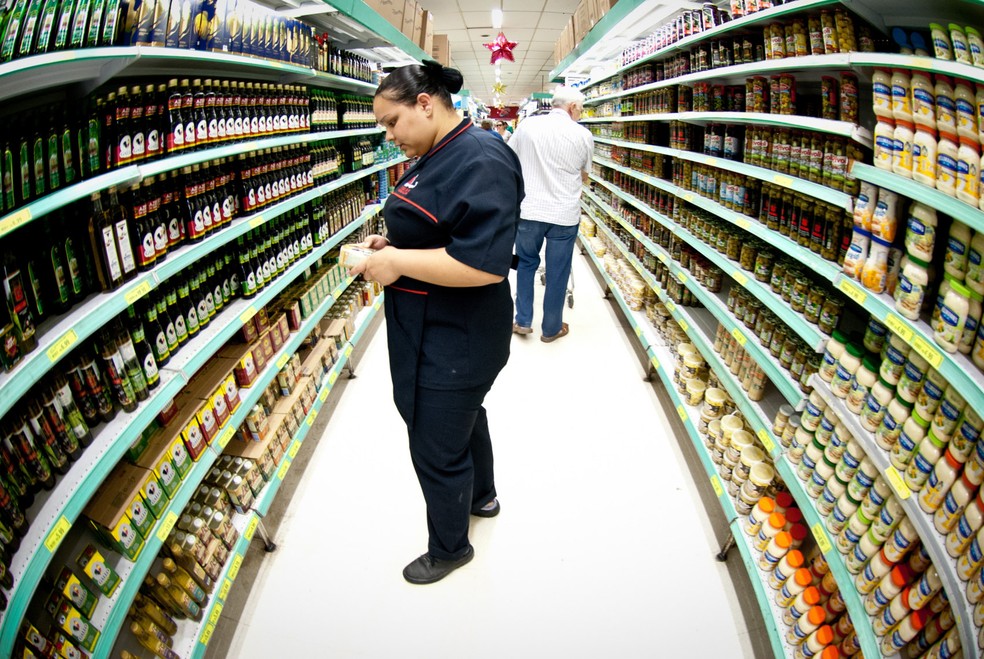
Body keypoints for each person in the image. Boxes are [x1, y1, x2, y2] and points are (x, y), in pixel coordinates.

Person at [348, 61, 524, 585]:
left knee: (434, 443)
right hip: (445, 326)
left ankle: (449, 548)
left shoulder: (481, 160)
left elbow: (481, 265)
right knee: (466, 418)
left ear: (425, 103)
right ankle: (483, 497)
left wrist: (399, 264)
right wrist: (395, 246)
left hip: (457, 336)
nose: (389, 134)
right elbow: (443, 227)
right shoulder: (440, 151)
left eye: (391, 122)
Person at [508, 85, 593, 342]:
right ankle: (551, 328)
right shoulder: (582, 134)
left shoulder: (526, 127)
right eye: (580, 109)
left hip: (529, 209)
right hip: (564, 215)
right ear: (572, 107)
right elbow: (585, 174)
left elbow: (509, 158)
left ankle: (522, 320)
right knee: (558, 271)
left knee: (525, 263)